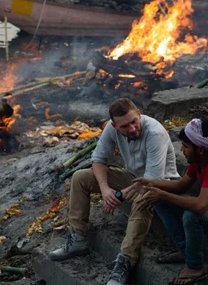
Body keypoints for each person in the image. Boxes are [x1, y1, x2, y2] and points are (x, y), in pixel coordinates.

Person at [49, 98, 180, 285]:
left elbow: (150, 180)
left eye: (134, 122)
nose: (132, 129)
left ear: (139, 115)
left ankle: (125, 261)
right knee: (80, 177)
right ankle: (78, 238)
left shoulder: (155, 133)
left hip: (159, 185)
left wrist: (118, 195)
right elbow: (98, 159)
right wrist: (105, 189)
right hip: (133, 177)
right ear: (114, 126)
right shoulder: (112, 129)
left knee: (143, 198)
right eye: (125, 126)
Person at [134, 117, 208, 285]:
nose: (182, 149)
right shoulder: (198, 161)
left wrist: (162, 194)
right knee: (159, 200)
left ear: (200, 149)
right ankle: (186, 251)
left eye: (185, 146)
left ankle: (195, 266)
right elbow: (181, 186)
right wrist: (150, 183)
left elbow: (200, 205)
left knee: (192, 214)